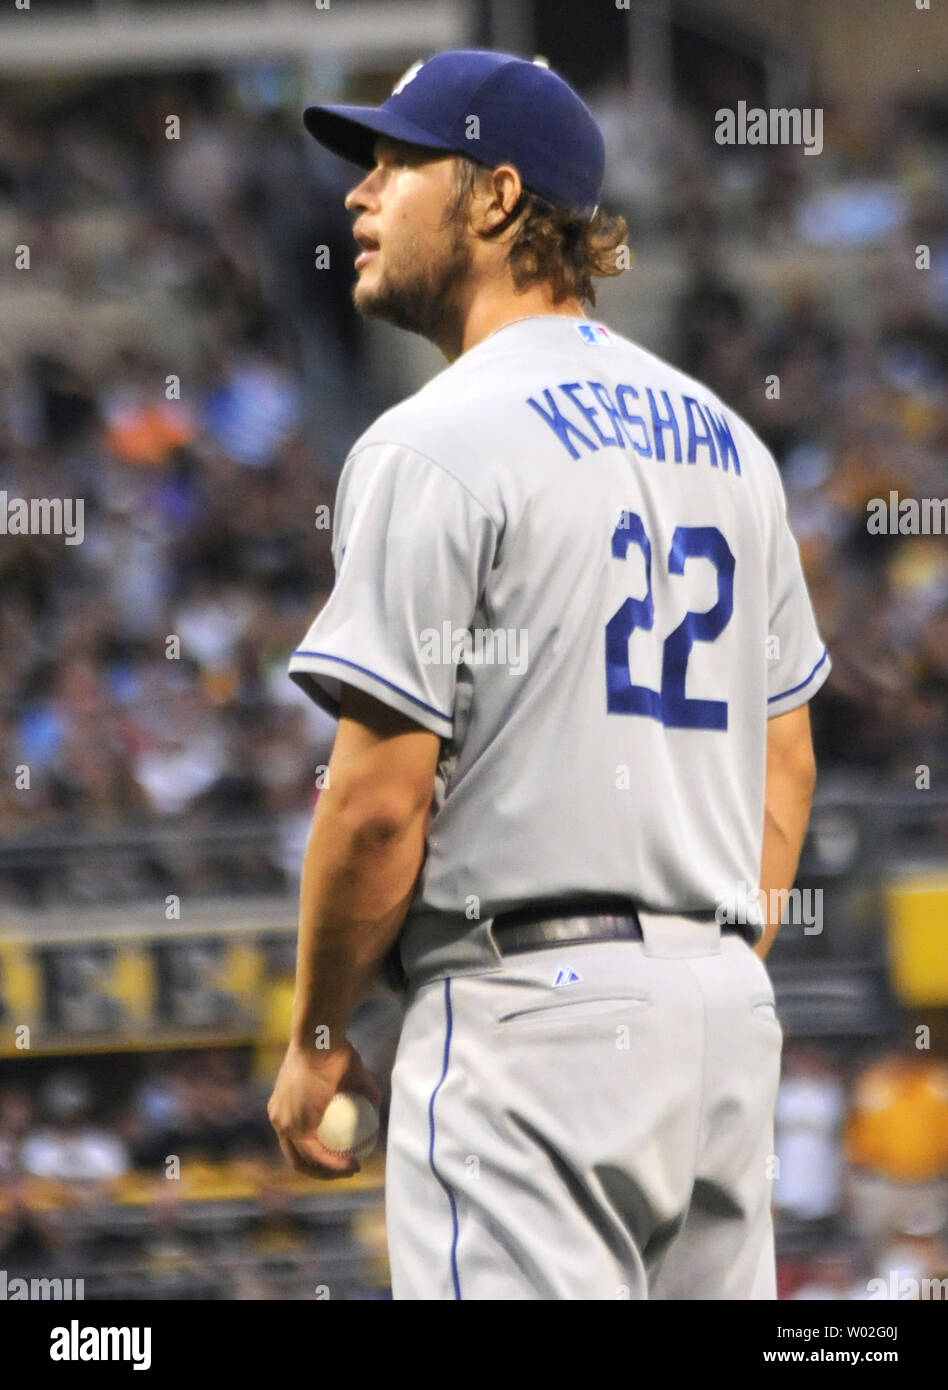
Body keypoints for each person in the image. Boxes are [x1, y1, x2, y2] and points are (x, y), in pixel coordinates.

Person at [267, 48, 829, 1300]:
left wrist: (313, 1039)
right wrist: (709, 963)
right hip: (721, 1029)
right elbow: (785, 756)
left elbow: (373, 804)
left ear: (497, 197)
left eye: (400, 162)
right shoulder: (733, 447)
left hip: (528, 1023)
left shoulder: (434, 437)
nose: (360, 195)